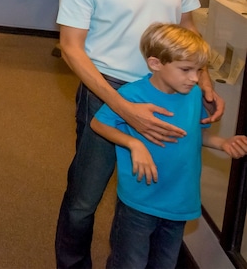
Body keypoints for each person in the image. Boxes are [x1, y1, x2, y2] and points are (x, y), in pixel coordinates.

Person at [54, 0, 224, 269]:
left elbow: (186, 26)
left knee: (154, 190)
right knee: (84, 198)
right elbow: (71, 49)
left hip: (166, 89)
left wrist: (202, 78)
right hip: (106, 89)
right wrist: (124, 108)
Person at [91, 23, 247, 269]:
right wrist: (134, 144)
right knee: (129, 263)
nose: (195, 78)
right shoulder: (132, 94)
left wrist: (223, 143)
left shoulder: (193, 95)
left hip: (179, 201)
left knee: (164, 263)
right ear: (156, 64)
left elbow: (192, 135)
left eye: (198, 70)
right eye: (186, 69)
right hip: (139, 201)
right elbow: (98, 124)